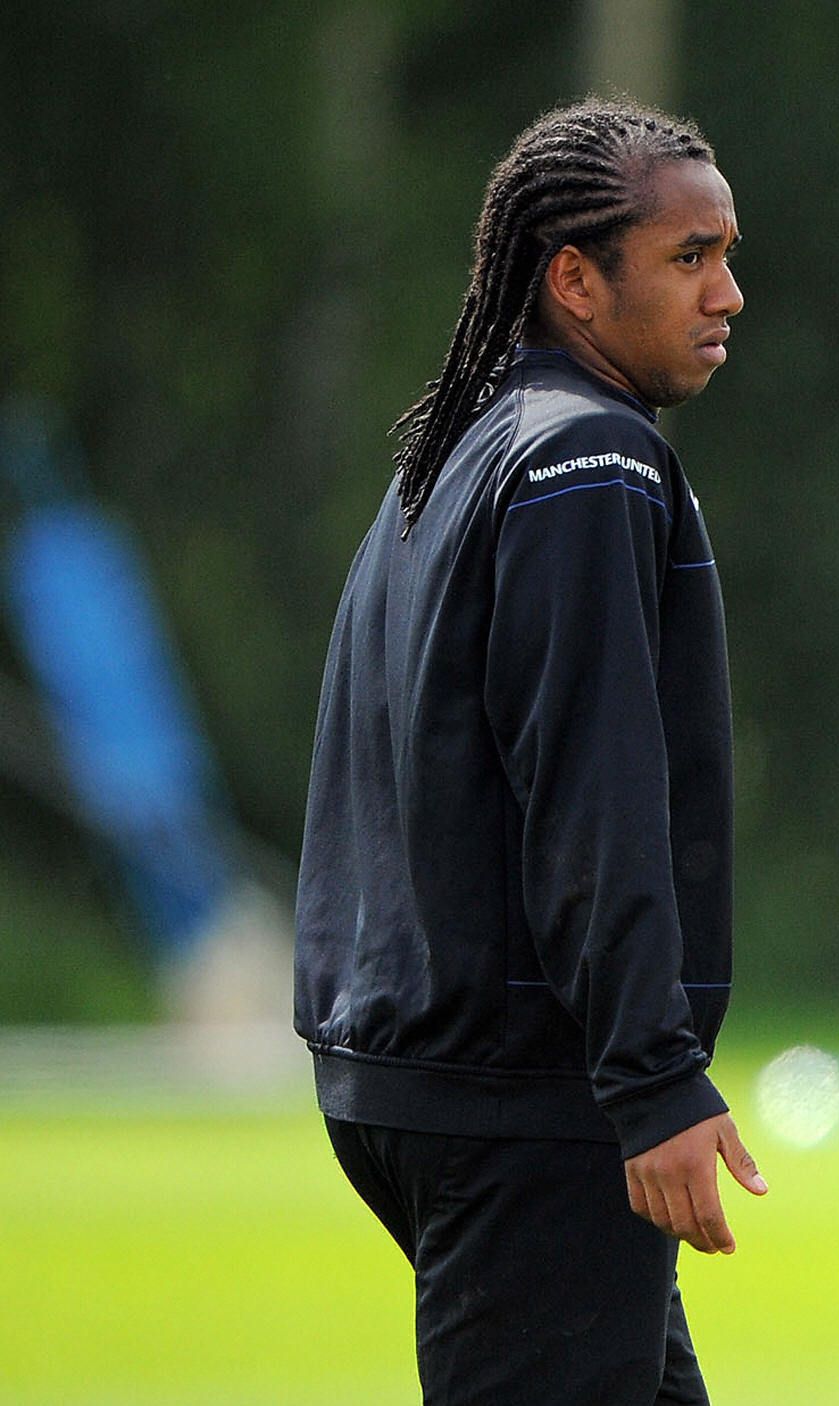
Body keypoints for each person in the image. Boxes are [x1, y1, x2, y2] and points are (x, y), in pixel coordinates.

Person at [294, 98, 760, 1405]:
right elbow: (590, 784)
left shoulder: (460, 445)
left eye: (728, 255)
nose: (727, 293)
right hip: (526, 1091)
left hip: (406, 1067)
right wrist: (654, 1077)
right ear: (573, 276)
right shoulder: (589, 456)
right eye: (688, 258)